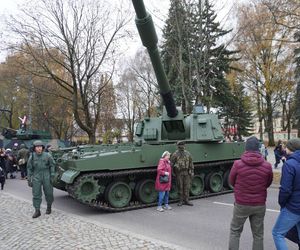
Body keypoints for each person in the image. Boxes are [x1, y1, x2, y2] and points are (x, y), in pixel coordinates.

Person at [228, 136, 273, 250]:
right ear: (258, 148)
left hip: (241, 204)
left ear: (246, 148)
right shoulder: (267, 165)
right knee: (258, 235)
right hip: (259, 204)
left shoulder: (237, 164)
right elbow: (268, 183)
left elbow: (231, 181)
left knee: (235, 231)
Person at [272, 138, 300, 250]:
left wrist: (282, 203)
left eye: (286, 147)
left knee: (277, 233)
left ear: (290, 149)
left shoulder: (289, 164)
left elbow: (285, 190)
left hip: (293, 207)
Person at [27, 140, 56, 219]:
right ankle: (37, 210)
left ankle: (49, 206)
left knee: (49, 193)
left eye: (40, 147)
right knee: (36, 194)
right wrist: (29, 178)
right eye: (37, 147)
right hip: (36, 175)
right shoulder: (32, 157)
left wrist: (52, 175)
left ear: (42, 148)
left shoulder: (47, 155)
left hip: (46, 175)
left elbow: (52, 165)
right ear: (34, 148)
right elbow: (29, 168)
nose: (39, 149)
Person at [171, 141, 194, 206]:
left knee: (187, 186)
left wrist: (192, 171)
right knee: (180, 187)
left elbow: (191, 163)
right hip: (179, 172)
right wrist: (172, 172)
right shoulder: (175, 154)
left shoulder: (188, 153)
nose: (182, 146)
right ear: (178, 146)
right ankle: (180, 200)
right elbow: (171, 164)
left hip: (186, 172)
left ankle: (186, 200)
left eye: (183, 145)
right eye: (180, 145)